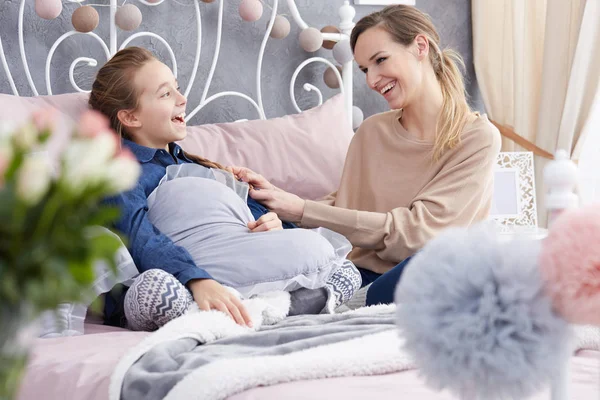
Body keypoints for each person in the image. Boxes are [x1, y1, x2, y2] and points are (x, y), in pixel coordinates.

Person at [230, 5, 501, 306]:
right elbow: (346, 203)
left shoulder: (477, 138)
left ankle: (334, 298)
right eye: (364, 70)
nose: (372, 81)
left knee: (454, 258)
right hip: (357, 272)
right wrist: (281, 209)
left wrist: (303, 209)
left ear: (420, 46)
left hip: (424, 271)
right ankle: (331, 295)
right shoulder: (371, 132)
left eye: (380, 60)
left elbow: (420, 235)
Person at [89, 47, 361, 331]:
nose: (182, 99)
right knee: (155, 289)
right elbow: (138, 238)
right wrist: (196, 279)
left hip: (233, 271)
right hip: (176, 279)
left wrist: (273, 225)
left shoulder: (206, 170)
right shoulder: (120, 172)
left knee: (344, 269)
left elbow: (253, 234)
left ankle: (247, 311)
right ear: (131, 117)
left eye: (178, 89)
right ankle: (267, 307)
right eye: (165, 94)